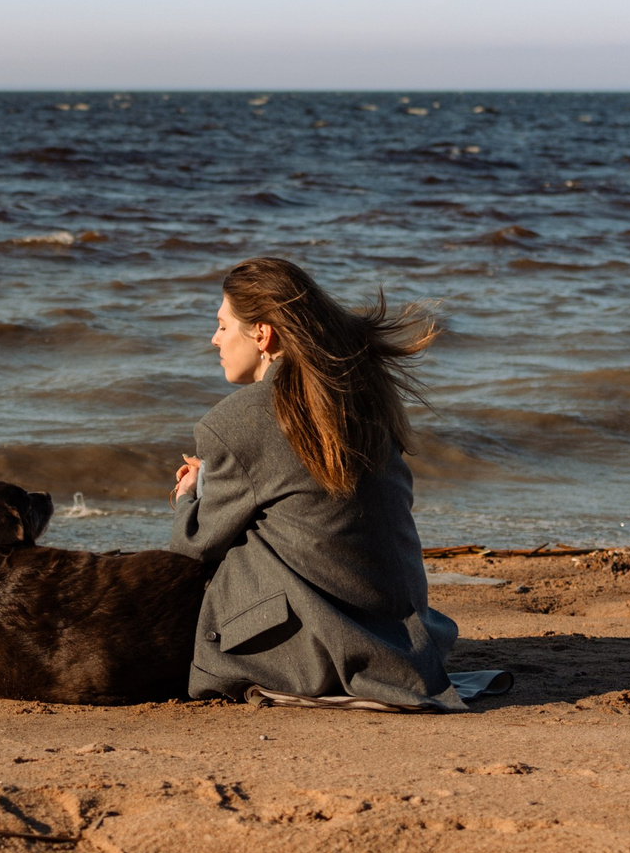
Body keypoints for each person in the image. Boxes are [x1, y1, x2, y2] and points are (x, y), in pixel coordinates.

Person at [167, 255, 463, 709]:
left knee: (237, 538)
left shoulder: (238, 420)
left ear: (262, 334)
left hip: (318, 649)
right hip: (406, 640)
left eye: (223, 326)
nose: (214, 339)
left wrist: (191, 495)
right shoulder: (358, 395)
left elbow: (191, 549)